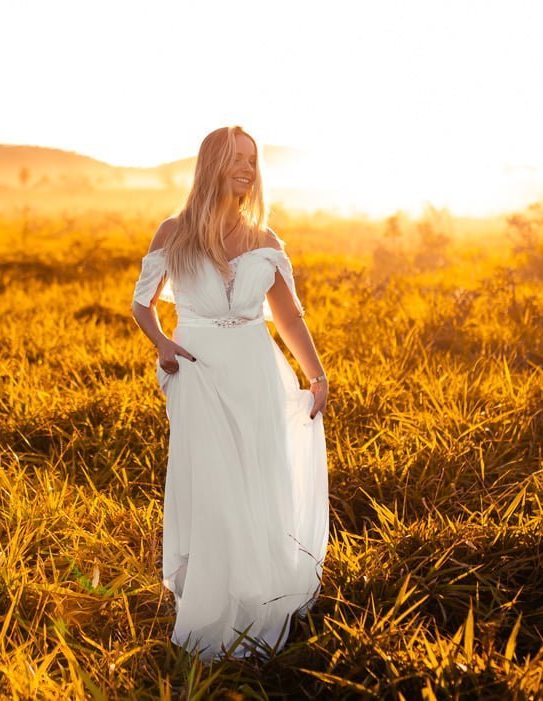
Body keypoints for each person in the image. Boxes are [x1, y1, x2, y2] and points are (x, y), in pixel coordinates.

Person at [130, 125, 329, 661]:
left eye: (252, 159)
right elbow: (142, 304)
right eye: (236, 157)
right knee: (214, 486)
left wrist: (316, 375)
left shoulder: (265, 239)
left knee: (258, 481)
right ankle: (210, 608)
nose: (246, 167)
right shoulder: (174, 232)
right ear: (211, 164)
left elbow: (288, 316)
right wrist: (163, 344)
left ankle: (258, 599)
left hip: (257, 372)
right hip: (197, 373)